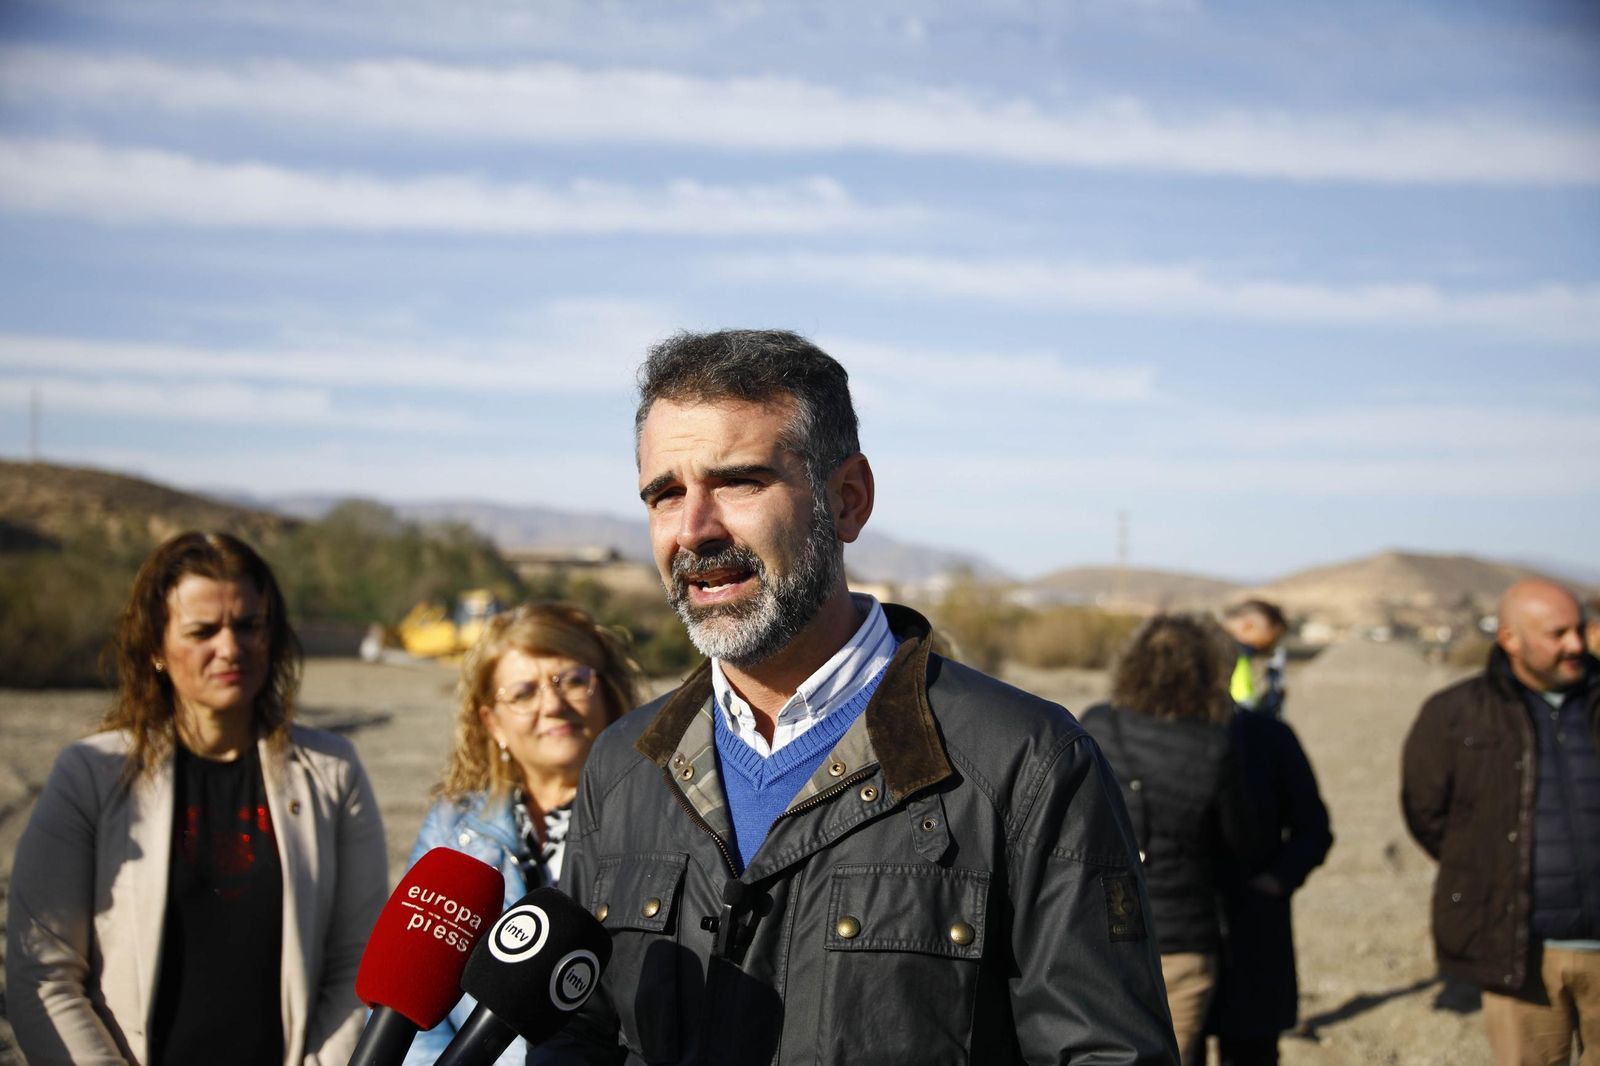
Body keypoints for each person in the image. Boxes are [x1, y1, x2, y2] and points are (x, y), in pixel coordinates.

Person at [541, 329, 1178, 1065]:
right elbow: (580, 1037)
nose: (694, 530)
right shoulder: (624, 768)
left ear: (847, 501)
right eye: (665, 494)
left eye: (739, 482)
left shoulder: (1026, 766)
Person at [7, 531, 388, 1066]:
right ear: (156, 648)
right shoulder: (90, 776)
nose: (230, 648)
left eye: (249, 625)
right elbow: (43, 973)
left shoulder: (333, 771)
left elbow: (359, 963)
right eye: (202, 630)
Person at [402, 602, 642, 1066]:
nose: (551, 705)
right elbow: (411, 999)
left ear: (609, 694)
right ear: (493, 723)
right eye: (524, 692)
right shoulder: (453, 827)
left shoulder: (657, 818)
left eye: (571, 680)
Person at [1402, 578, 1599, 1066]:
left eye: (1580, 629)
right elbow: (1427, 815)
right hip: (1521, 956)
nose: (1575, 645)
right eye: (1557, 634)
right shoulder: (1455, 715)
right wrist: (1489, 872)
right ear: (1510, 639)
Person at [1082, 614, 1256, 1066]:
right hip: (1184, 939)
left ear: (1131, 665)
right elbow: (1240, 846)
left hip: (1094, 935)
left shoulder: (1096, 724)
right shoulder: (1217, 744)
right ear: (1210, 672)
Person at [1209, 672, 1333, 1066]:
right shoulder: (1145, 742)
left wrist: (1276, 881)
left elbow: (1313, 829)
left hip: (1255, 934)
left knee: (1251, 1050)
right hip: (1176, 936)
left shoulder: (1269, 737)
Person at [1222, 599, 1289, 718]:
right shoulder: (1229, 653)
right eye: (1272, 638)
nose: (1271, 647)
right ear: (1247, 627)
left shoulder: (1241, 656)